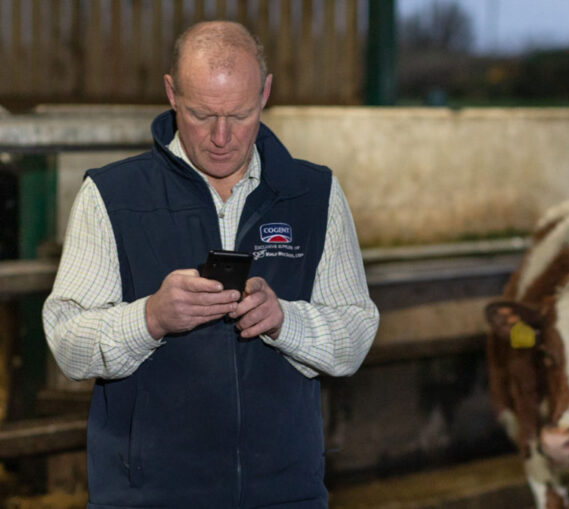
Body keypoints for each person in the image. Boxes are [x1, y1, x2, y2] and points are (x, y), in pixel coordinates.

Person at [43, 20, 379, 508]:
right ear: (171, 94)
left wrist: (286, 320)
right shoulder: (112, 196)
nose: (222, 137)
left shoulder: (314, 195)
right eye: (202, 115)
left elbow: (355, 335)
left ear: (265, 93)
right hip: (147, 496)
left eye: (240, 115)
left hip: (283, 493)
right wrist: (150, 318)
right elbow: (67, 344)